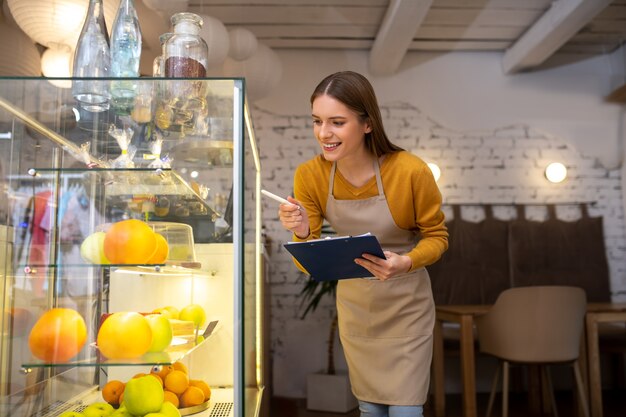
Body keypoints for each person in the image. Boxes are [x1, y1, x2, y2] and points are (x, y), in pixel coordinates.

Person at [278, 71, 449, 417]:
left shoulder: (410, 171)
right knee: (370, 409)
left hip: (406, 307)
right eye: (317, 121)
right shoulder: (310, 175)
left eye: (337, 122)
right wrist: (299, 231)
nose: (324, 133)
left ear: (367, 123)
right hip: (357, 307)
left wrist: (406, 262)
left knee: (405, 410)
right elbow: (308, 257)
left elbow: (438, 237)